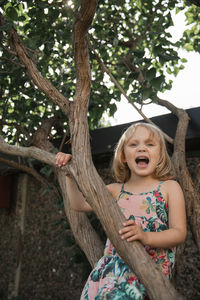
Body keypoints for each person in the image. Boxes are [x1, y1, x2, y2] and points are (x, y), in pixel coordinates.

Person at [56, 122, 187, 299]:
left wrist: (146, 236)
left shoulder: (169, 188)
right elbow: (79, 205)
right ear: (124, 156)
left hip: (147, 272)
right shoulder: (115, 190)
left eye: (149, 144)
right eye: (134, 144)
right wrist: (70, 176)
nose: (142, 148)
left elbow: (179, 233)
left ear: (160, 155)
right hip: (111, 273)